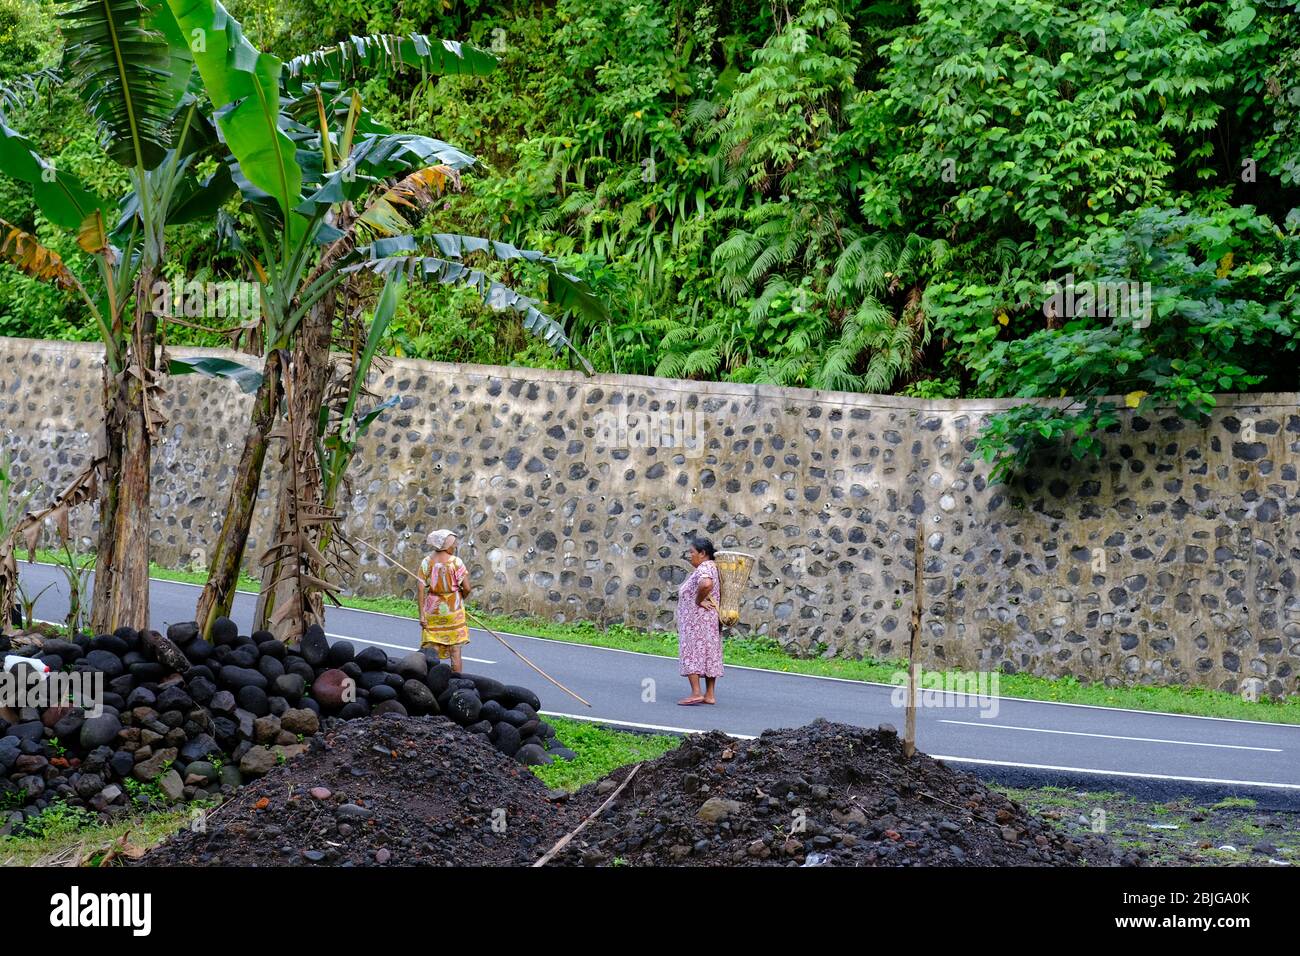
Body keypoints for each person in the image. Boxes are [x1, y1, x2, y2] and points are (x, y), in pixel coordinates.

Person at [677, 535, 722, 705]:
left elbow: (706, 584)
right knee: (710, 653)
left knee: (692, 652)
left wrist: (698, 600)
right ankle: (709, 694)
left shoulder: (705, 567)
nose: (690, 555)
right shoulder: (713, 566)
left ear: (703, 553)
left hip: (697, 621)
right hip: (709, 620)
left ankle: (696, 692)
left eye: (692, 552)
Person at [418, 529, 471, 673]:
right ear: (446, 546)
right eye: (453, 544)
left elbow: (421, 590)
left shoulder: (426, 562)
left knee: (432, 651)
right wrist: (460, 598)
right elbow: (467, 588)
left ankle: (431, 681)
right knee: (455, 650)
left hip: (433, 611)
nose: (455, 547)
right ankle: (457, 682)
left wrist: (422, 615)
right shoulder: (456, 562)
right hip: (453, 612)